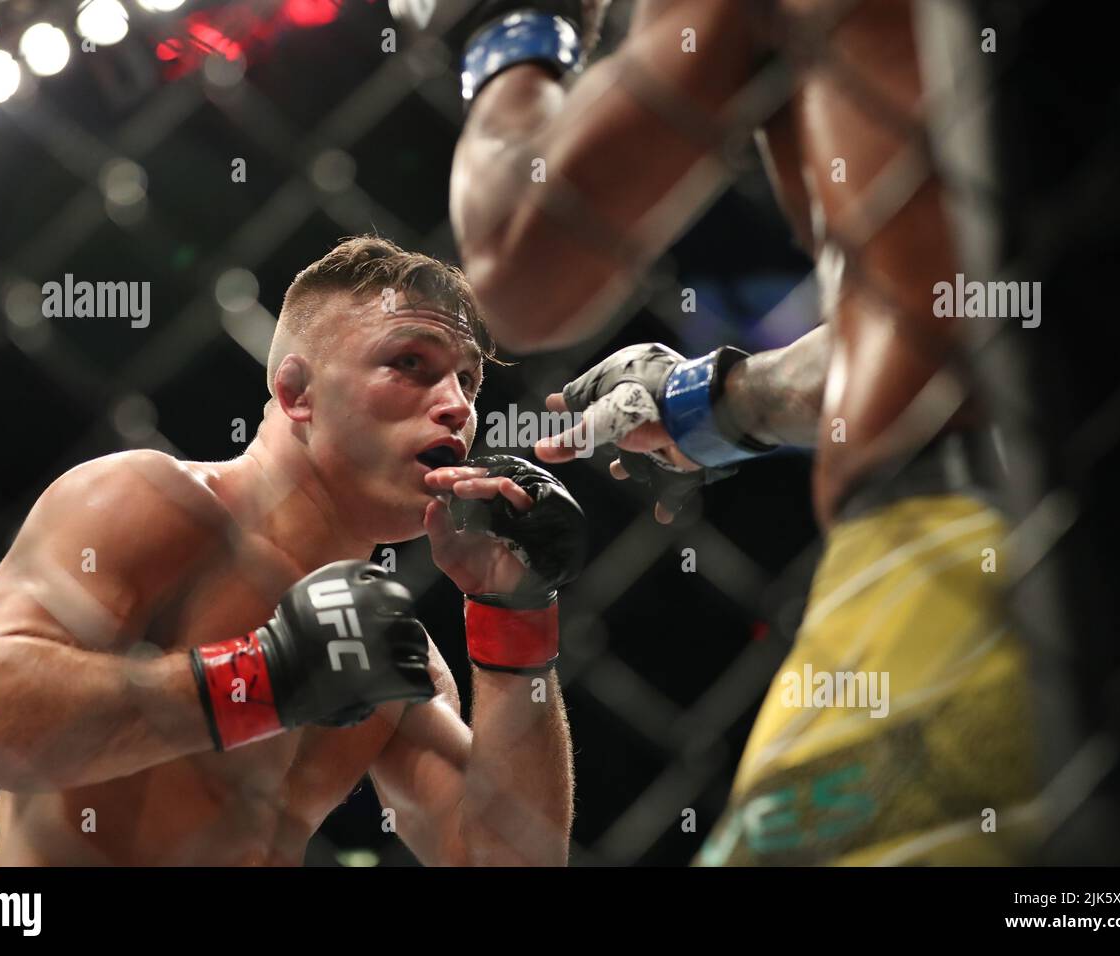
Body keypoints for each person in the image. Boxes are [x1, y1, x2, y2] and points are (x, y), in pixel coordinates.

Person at [421, 0, 1039, 862]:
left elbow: (518, 259)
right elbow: (983, 320)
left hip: (969, 542)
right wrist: (704, 405)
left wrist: (508, 27)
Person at [0, 236, 585, 866]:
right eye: (410, 363)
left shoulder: (386, 650)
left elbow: (509, 858)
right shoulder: (148, 504)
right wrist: (263, 680)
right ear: (297, 392)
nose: (456, 407)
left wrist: (514, 614)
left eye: (468, 382)